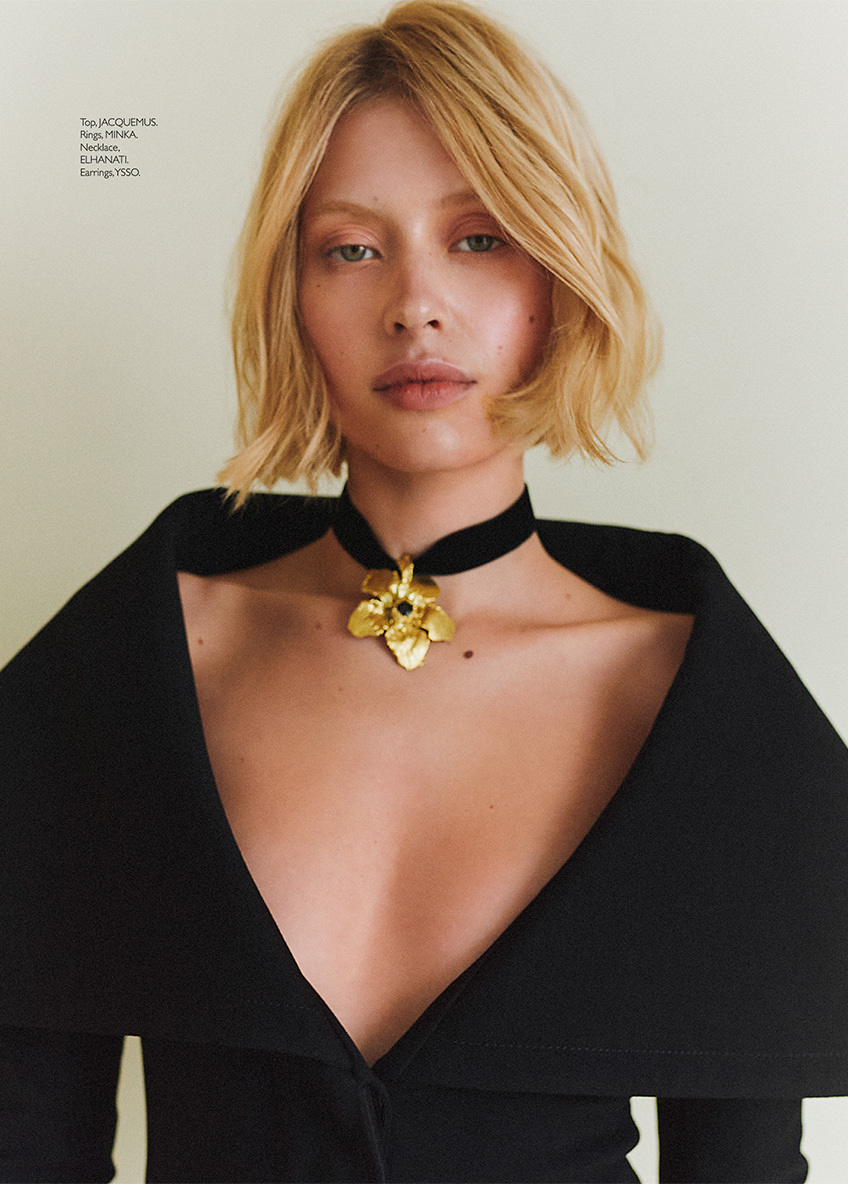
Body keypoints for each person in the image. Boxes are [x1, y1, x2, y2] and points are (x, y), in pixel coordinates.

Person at [1, 2, 846, 1181]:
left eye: (480, 237)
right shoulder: (131, 675)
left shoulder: (689, 704)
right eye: (351, 248)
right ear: (291, 294)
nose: (414, 302)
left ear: (560, 275)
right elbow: (28, 1141)